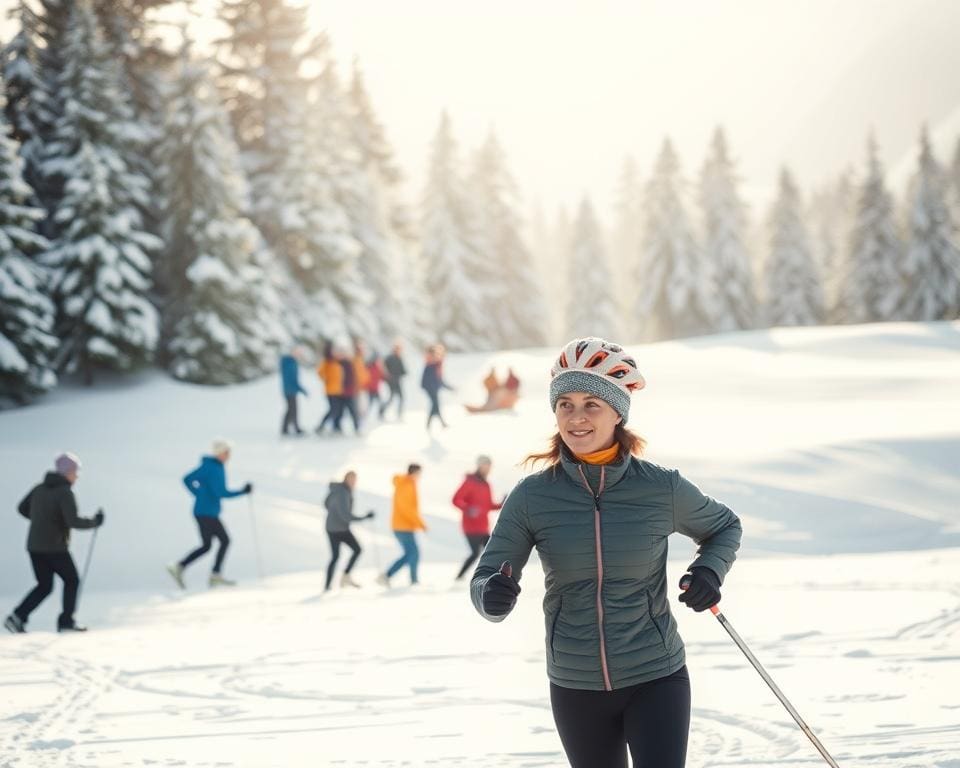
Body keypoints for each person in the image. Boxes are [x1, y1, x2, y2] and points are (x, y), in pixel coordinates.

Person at [469, 337, 743, 768]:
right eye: (566, 405)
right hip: (575, 684)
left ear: (618, 412)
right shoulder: (532, 497)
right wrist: (490, 593)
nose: (576, 418)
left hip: (656, 675)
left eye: (591, 404)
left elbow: (724, 526)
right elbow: (486, 572)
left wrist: (708, 571)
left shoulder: (660, 488)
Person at [4, 453, 104, 633]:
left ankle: (17, 617)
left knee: (44, 585)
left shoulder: (39, 489)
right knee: (72, 580)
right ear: (66, 472)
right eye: (75, 471)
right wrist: (95, 522)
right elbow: (72, 521)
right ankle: (66, 622)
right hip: (54, 547)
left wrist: (40, 520)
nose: (77, 475)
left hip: (34, 546)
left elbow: (21, 508)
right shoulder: (65, 492)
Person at [167, 439, 253, 589]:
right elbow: (221, 492)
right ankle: (190, 569)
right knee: (220, 542)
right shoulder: (213, 468)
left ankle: (206, 573)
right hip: (204, 512)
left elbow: (189, 480)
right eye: (227, 452)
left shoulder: (214, 466)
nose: (229, 455)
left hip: (208, 512)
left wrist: (200, 493)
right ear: (219, 453)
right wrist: (243, 491)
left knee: (213, 543)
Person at [453, 455, 502, 581]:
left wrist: (502, 503)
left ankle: (491, 576)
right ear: (479, 466)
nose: (488, 468)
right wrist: (468, 508)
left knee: (491, 551)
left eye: (489, 466)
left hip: (483, 527)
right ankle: (459, 576)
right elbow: (456, 499)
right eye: (485, 465)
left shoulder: (486, 485)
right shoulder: (470, 482)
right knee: (476, 553)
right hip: (471, 527)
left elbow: (489, 505)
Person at [324, 471, 375, 591]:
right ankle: (341, 579)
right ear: (346, 479)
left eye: (355, 480)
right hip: (339, 529)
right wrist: (365, 517)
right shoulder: (343, 493)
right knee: (353, 551)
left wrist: (333, 513)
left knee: (338, 555)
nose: (353, 482)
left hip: (332, 527)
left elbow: (326, 504)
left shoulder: (337, 489)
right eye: (351, 479)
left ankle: (332, 584)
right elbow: (346, 516)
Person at [377, 464, 426, 586]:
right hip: (402, 526)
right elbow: (407, 509)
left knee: (411, 553)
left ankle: (407, 579)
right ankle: (390, 576)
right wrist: (420, 523)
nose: (420, 477)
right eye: (419, 474)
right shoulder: (407, 485)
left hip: (404, 526)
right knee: (412, 553)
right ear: (414, 473)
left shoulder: (407, 484)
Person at [421, 344, 453, 430]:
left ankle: (438, 423)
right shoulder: (433, 363)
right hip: (429, 387)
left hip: (432, 386)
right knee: (435, 404)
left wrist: (449, 387)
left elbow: (439, 379)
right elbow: (436, 379)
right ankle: (435, 423)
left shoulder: (436, 364)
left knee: (435, 405)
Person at [316, 342, 345, 435]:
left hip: (338, 390)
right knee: (333, 409)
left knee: (338, 409)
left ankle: (336, 427)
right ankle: (321, 426)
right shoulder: (327, 362)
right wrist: (326, 378)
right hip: (330, 390)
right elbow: (320, 373)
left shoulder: (336, 361)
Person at [280, 347, 308, 436]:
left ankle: (285, 429)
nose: (299, 355)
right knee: (293, 410)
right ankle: (296, 429)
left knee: (290, 410)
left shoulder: (289, 362)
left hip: (290, 390)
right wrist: (301, 389)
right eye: (297, 353)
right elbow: (292, 379)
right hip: (290, 390)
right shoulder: (290, 363)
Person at [380, 341, 407, 420]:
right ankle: (381, 411)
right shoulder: (390, 357)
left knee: (401, 398)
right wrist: (387, 375)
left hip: (397, 381)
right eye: (398, 349)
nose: (399, 351)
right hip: (391, 381)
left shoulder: (399, 358)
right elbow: (383, 366)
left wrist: (404, 373)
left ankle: (399, 414)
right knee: (391, 398)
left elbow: (402, 370)